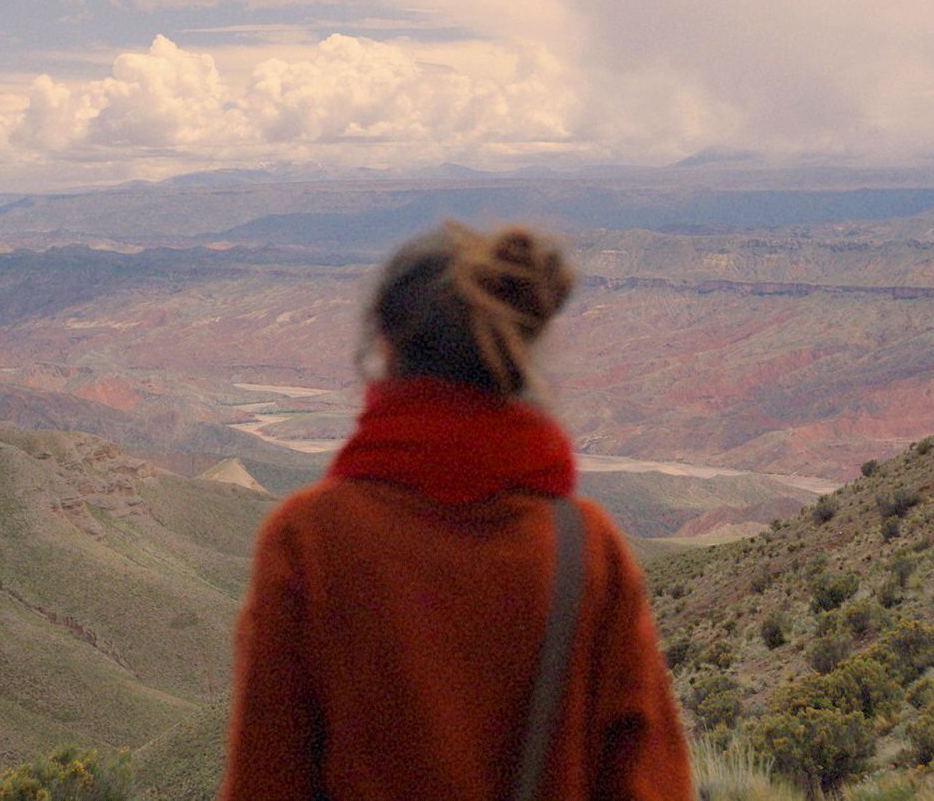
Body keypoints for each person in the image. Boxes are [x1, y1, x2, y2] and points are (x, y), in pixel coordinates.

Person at [220, 222, 692, 800]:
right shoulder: (586, 550)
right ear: (514, 361)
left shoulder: (308, 539)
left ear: (386, 348)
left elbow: (265, 781)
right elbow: (649, 783)